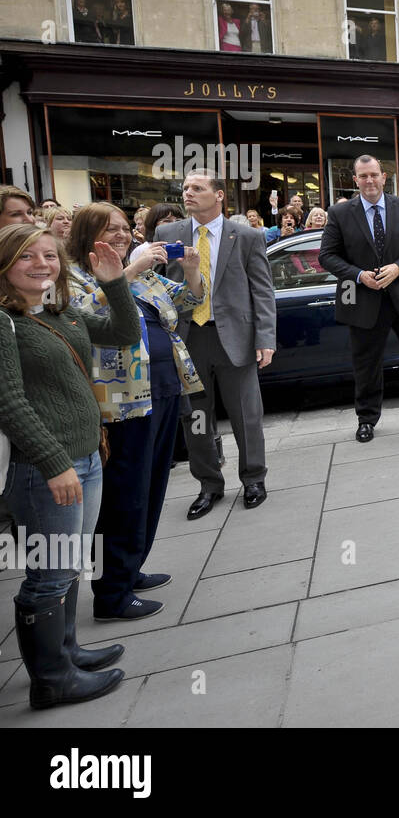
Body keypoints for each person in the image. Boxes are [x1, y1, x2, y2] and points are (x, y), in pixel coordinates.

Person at [0, 223, 140, 708]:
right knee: (49, 572)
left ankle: (67, 654)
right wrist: (54, 462)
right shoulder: (4, 321)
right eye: (26, 257)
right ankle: (51, 681)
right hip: (44, 469)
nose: (42, 264)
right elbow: (9, 401)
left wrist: (114, 281)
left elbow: (123, 334)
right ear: (4, 265)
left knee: (68, 565)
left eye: (50, 256)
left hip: (85, 458)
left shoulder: (60, 312)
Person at [66, 204, 205, 620]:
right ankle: (111, 594)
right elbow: (79, 315)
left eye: (126, 228)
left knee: (150, 487)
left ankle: (131, 569)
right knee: (122, 495)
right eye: (111, 229)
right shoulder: (74, 275)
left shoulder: (142, 271)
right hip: (119, 403)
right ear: (88, 234)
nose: (123, 236)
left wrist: (193, 268)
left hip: (161, 391)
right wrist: (125, 272)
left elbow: (188, 300)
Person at [156, 170, 276, 519]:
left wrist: (266, 338)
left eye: (197, 188)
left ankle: (254, 478)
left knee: (246, 415)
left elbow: (263, 291)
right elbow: (158, 285)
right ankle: (209, 484)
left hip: (235, 339)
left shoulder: (247, 236)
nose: (188, 193)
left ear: (220, 195)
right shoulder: (168, 234)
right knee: (195, 419)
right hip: (188, 340)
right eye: (185, 188)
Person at [318, 155, 399, 443]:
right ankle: (366, 419)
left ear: (384, 177)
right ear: (355, 180)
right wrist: (357, 275)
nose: (369, 181)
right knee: (366, 364)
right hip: (362, 301)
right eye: (363, 176)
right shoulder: (340, 214)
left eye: (374, 175)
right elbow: (327, 256)